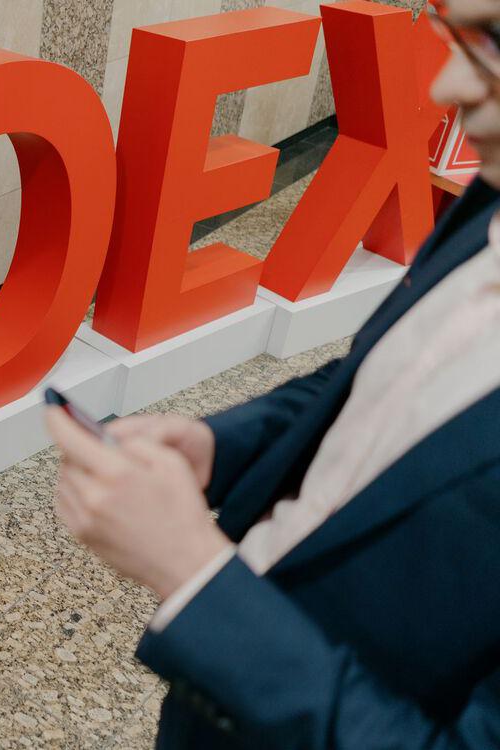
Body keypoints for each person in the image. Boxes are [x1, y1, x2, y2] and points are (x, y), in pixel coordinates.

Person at [46, 2, 500, 747]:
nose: (448, 86)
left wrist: (194, 578)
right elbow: (375, 381)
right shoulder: (490, 194)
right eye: (464, 34)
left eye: (495, 48)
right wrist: (217, 446)